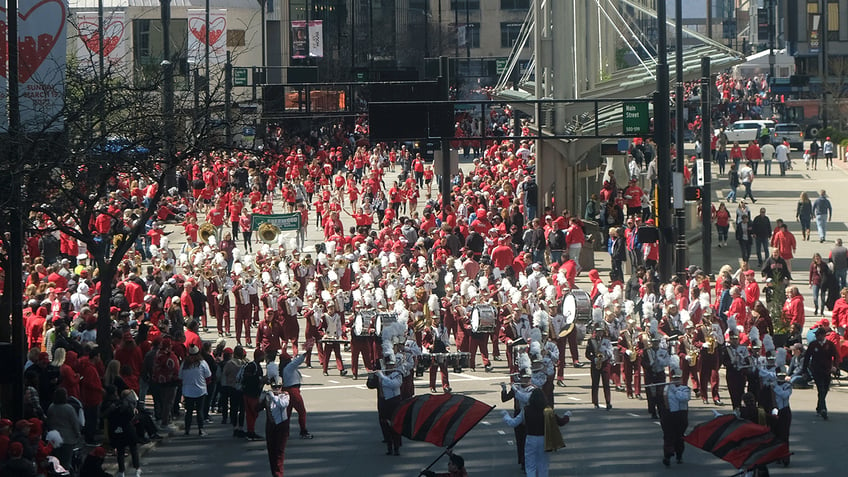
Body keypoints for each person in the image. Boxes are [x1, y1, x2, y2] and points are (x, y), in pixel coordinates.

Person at [503, 387, 571, 477]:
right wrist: (567, 415)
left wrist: (505, 415)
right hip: (544, 439)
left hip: (530, 439)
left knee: (530, 465)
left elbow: (513, 423)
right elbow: (561, 422)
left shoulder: (526, 410)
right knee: (543, 465)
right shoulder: (548, 410)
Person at [101, 386, 142, 477]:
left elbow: (103, 416)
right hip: (127, 428)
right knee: (133, 449)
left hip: (115, 429)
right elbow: (131, 415)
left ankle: (121, 471)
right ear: (116, 392)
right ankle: (137, 469)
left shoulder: (106, 404)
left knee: (120, 451)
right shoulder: (123, 403)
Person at [280, 338, 315, 439]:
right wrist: (308, 350)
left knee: (287, 413)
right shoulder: (289, 367)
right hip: (293, 391)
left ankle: (285, 432)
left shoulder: (284, 369)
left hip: (287, 390)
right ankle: (303, 431)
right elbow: (298, 360)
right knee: (302, 412)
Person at [257, 376, 291, 477]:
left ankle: (279, 475)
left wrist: (273, 396)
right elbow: (257, 408)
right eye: (274, 387)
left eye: (279, 387)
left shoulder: (285, 396)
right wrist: (262, 397)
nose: (276, 389)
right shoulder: (268, 396)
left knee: (279, 452)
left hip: (282, 426)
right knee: (271, 452)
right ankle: (275, 474)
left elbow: (282, 404)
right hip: (270, 426)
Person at [803, 327, 839, 419]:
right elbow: (807, 358)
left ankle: (819, 407)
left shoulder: (829, 345)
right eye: (816, 335)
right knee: (821, 388)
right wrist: (804, 370)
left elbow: (836, 356)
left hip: (827, 370)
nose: (817, 336)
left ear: (823, 335)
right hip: (816, 370)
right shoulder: (813, 345)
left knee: (825, 389)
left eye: (818, 335)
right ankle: (824, 409)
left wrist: (835, 366)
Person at [179, 344, 211, 437]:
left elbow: (180, 377)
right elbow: (208, 377)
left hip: (187, 391)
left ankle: (187, 430)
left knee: (188, 411)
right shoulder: (203, 363)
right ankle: (201, 430)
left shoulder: (184, 364)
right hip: (200, 390)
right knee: (199, 411)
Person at [661, 368, 691, 466]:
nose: (676, 380)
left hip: (681, 415)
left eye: (678, 378)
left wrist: (675, 391)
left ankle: (679, 455)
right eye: (674, 378)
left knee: (679, 437)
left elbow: (684, 398)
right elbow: (661, 401)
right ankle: (667, 456)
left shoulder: (685, 389)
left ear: (681, 378)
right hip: (669, 415)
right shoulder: (666, 388)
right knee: (668, 436)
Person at [375, 359, 404, 456]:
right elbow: (371, 385)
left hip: (394, 401)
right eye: (387, 365)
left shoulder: (397, 374)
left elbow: (394, 385)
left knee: (395, 425)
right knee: (385, 425)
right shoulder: (382, 373)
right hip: (384, 402)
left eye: (391, 365)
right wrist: (372, 377)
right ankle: (389, 447)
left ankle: (396, 447)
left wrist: (382, 377)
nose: (389, 367)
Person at [585, 322, 613, 410]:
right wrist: (593, 359)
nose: (600, 333)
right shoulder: (591, 341)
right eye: (598, 331)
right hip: (595, 364)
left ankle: (608, 402)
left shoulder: (606, 341)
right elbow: (587, 354)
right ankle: (595, 402)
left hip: (605, 363)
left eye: (601, 331)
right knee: (595, 383)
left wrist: (605, 351)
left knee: (606, 384)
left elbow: (610, 352)